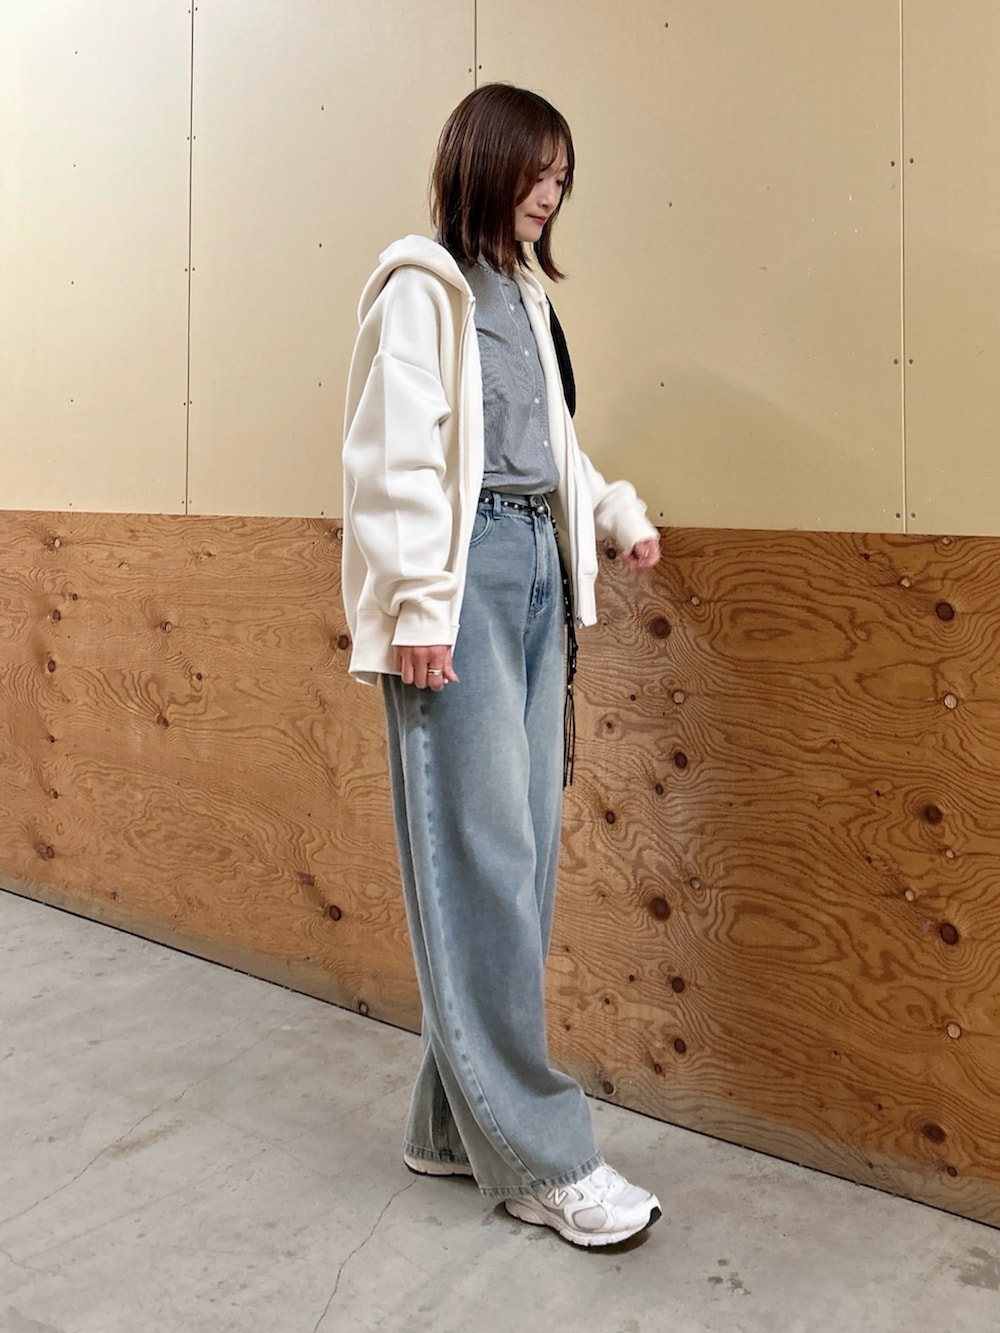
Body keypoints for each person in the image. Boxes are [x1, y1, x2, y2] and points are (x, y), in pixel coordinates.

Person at [342, 83, 662, 1247]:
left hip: (535, 569)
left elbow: (550, 447)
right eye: (538, 172)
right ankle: (542, 1154)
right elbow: (393, 458)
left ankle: (447, 1126)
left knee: (514, 863)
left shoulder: (525, 297)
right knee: (480, 857)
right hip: (459, 576)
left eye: (563, 180)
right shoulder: (422, 286)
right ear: (485, 162)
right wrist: (416, 604)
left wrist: (614, 515)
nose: (550, 195)